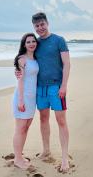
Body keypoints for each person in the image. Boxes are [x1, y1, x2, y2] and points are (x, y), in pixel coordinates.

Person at [17, 12, 71, 172]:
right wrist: (18, 71)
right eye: (37, 26)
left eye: (42, 24)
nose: (40, 28)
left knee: (61, 121)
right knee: (43, 119)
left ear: (47, 23)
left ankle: (64, 158)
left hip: (56, 87)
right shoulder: (36, 43)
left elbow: (67, 64)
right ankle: (46, 150)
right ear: (34, 27)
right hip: (40, 88)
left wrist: (64, 85)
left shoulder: (59, 40)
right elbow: (26, 60)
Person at [12, 33, 39, 169]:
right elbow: (20, 80)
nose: (31, 44)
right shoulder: (22, 59)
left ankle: (19, 155)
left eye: (33, 41)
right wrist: (20, 101)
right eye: (28, 42)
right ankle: (17, 159)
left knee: (26, 128)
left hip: (32, 98)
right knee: (20, 128)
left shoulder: (35, 59)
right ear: (24, 44)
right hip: (22, 98)